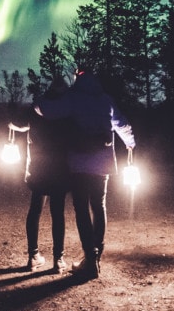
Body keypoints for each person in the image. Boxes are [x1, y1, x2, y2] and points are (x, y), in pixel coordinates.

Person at [34, 67, 135, 280]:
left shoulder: (73, 98)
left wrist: (38, 100)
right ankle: (95, 257)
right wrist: (131, 144)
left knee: (81, 209)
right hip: (103, 164)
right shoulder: (105, 99)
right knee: (99, 206)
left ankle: (89, 258)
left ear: (77, 79)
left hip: (80, 164)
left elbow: (48, 110)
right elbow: (122, 123)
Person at [23, 76, 72, 272]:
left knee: (35, 209)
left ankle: (33, 256)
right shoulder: (68, 109)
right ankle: (58, 259)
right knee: (57, 213)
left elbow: (22, 123)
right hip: (60, 166)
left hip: (40, 164)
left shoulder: (38, 106)